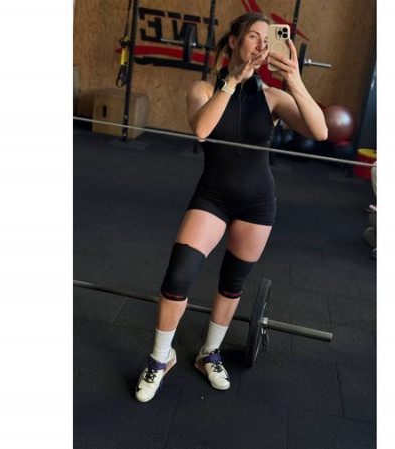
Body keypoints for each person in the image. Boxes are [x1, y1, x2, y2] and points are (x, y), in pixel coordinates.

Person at [135, 12, 328, 403]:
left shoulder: (272, 97)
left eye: (266, 39)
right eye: (253, 36)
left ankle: (209, 353)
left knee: (231, 283)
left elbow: (321, 131)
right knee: (178, 276)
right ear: (235, 41)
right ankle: (160, 357)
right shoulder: (204, 88)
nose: (261, 44)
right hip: (213, 197)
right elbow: (202, 130)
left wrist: (294, 80)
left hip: (257, 203)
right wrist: (233, 81)